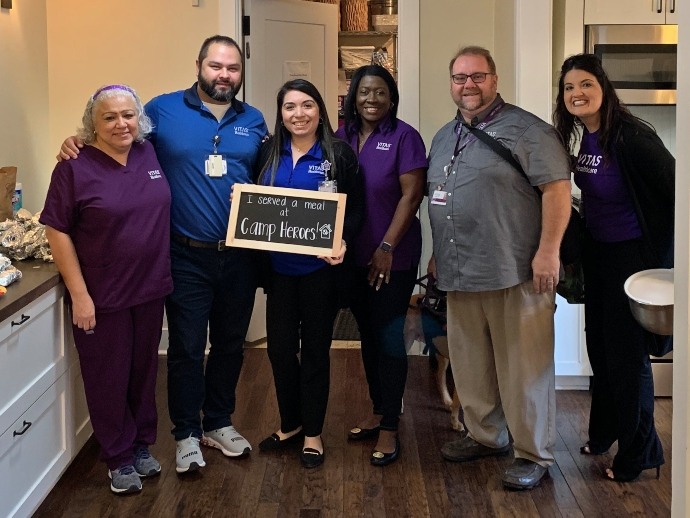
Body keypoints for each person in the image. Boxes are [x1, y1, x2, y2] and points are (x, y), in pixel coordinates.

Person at [58, 35, 269, 474]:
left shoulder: (255, 120)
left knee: (231, 344)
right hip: (184, 254)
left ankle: (219, 422)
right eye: (215, 66)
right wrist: (74, 141)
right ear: (198, 65)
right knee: (188, 348)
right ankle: (186, 433)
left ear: (240, 72)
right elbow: (115, 132)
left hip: (238, 256)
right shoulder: (161, 109)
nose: (224, 75)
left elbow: (269, 177)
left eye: (232, 68)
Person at [426, 46, 572, 490]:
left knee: (524, 367)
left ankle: (533, 453)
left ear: (494, 79)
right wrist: (436, 252)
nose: (467, 85)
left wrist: (549, 251)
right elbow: (442, 195)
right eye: (459, 77)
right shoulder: (443, 136)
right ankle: (487, 436)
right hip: (461, 269)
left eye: (477, 76)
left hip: (516, 270)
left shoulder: (529, 131)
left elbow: (556, 190)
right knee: (471, 364)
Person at [41, 84, 172, 494]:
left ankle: (140, 444)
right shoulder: (74, 166)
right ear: (91, 125)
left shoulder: (149, 152)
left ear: (140, 118)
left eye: (128, 115)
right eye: (109, 117)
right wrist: (80, 295)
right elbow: (56, 230)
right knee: (107, 377)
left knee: (143, 372)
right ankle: (117, 456)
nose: (121, 123)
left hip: (150, 288)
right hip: (103, 296)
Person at [553, 53, 674, 482]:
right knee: (600, 350)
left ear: (603, 87)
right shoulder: (583, 137)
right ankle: (604, 433)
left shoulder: (631, 137)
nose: (576, 93)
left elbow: (676, 189)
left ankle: (640, 453)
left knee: (627, 359)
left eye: (585, 84)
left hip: (633, 259)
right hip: (600, 257)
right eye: (569, 87)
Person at [254, 79, 364, 468]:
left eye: (306, 106)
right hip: (279, 272)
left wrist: (344, 242)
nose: (298, 114)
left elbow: (355, 211)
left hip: (320, 274)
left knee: (315, 351)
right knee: (280, 350)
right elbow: (257, 200)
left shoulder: (339, 155)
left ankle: (313, 433)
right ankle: (291, 424)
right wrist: (243, 204)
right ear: (280, 114)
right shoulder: (267, 152)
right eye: (289, 107)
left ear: (320, 110)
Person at [335, 65, 427, 466]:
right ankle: (378, 410)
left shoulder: (404, 136)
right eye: (364, 93)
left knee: (388, 338)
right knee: (368, 337)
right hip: (349, 256)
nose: (371, 100)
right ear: (353, 96)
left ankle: (390, 427)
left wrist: (387, 246)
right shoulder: (340, 136)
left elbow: (412, 196)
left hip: (392, 257)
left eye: (381, 94)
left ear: (392, 99)